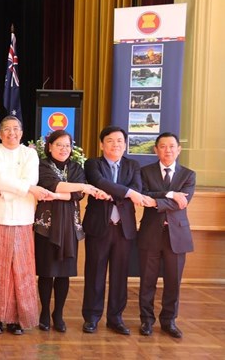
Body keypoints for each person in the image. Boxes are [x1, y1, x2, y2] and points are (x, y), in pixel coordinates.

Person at [0, 115, 50, 335]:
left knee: (21, 270)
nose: (12, 133)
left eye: (16, 129)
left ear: (21, 132)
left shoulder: (29, 153)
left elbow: (31, 180)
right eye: (7, 129)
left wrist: (7, 191)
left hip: (23, 217)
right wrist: (19, 189)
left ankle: (17, 319)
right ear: (0, 133)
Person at [33, 130, 104, 333]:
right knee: (47, 273)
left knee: (64, 274)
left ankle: (59, 314)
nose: (64, 149)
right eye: (59, 145)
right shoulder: (42, 165)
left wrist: (59, 195)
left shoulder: (76, 167)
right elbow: (51, 185)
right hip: (46, 227)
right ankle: (45, 312)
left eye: (67, 145)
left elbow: (78, 194)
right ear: (50, 146)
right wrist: (78, 188)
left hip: (70, 228)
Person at [82, 125, 143, 335]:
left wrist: (121, 192)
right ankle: (91, 317)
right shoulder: (92, 164)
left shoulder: (133, 165)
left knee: (120, 275)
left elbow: (137, 190)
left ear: (125, 144)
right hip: (100, 226)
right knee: (94, 273)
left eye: (119, 141)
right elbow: (99, 182)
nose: (115, 144)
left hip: (124, 229)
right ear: (101, 144)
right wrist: (126, 193)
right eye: (110, 140)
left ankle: (116, 318)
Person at [138, 132, 195, 338]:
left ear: (179, 150)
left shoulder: (188, 175)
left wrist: (155, 201)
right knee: (147, 280)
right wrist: (170, 194)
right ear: (156, 150)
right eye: (163, 146)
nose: (167, 150)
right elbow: (143, 195)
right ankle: (146, 320)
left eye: (172, 146)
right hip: (150, 233)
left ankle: (169, 321)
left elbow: (183, 202)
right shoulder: (145, 172)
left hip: (177, 236)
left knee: (173, 281)